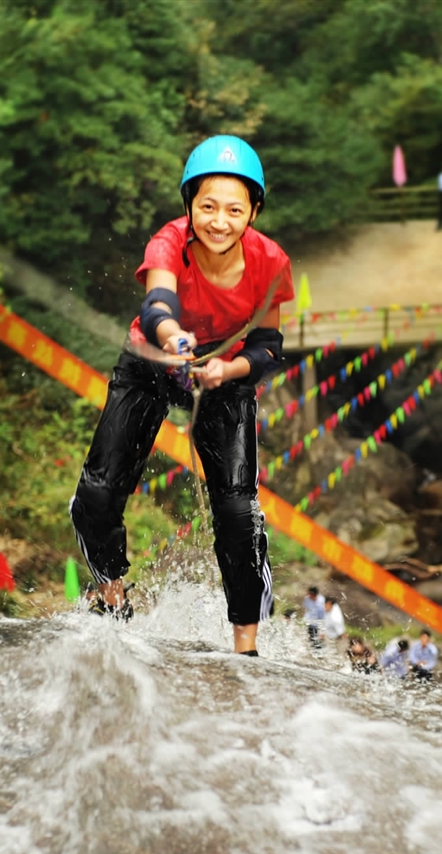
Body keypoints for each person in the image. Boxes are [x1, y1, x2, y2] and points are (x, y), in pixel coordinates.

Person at [70, 135, 294, 655]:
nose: (220, 221)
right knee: (99, 495)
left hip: (224, 373)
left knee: (238, 513)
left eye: (235, 209)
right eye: (207, 206)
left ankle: (247, 646)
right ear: (189, 206)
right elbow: (156, 306)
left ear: (254, 211)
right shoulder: (167, 244)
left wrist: (227, 367)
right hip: (153, 360)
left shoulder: (271, 263)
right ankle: (113, 592)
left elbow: (267, 347)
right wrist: (175, 339)